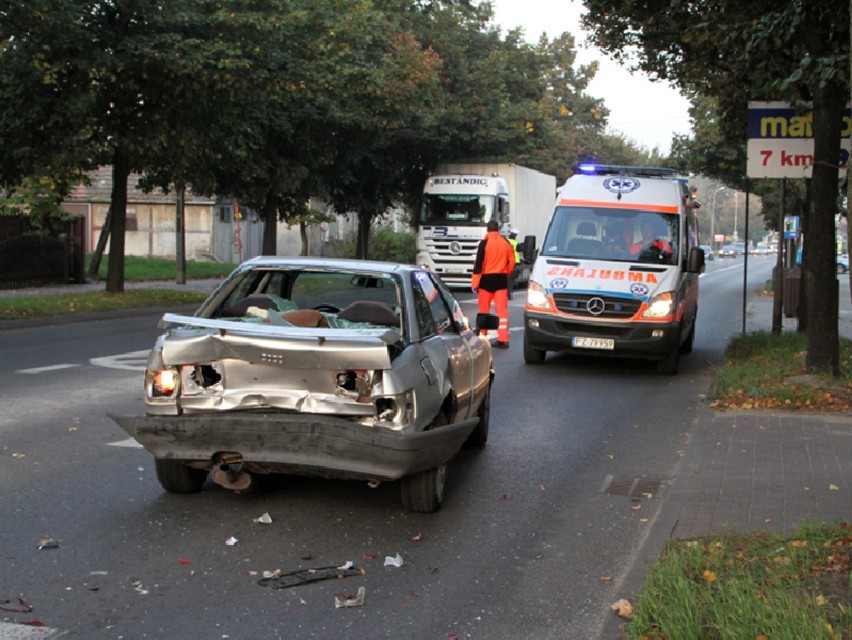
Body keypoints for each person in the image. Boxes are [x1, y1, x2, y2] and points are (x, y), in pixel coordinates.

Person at [471, 220, 516, 348]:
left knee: (484, 309)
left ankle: (482, 335)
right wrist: (506, 274)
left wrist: (475, 283)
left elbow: (478, 266)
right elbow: (511, 262)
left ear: (487, 229)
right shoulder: (506, 243)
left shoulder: (484, 244)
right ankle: (503, 339)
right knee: (502, 311)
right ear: (498, 229)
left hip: (486, 281)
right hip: (501, 280)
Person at [506, 228, 521, 299]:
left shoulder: (506, 241)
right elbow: (519, 250)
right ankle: (509, 293)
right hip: (514, 262)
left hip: (506, 261)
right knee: (511, 278)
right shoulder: (516, 243)